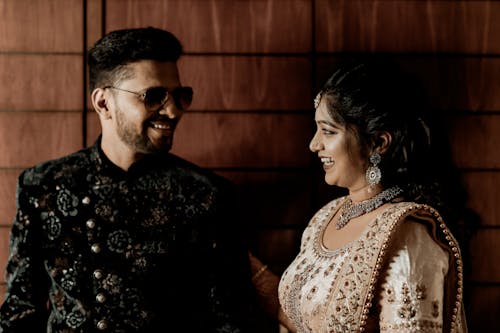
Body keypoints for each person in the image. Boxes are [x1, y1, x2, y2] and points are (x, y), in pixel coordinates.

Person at [0, 27, 253, 332]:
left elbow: (232, 321)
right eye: (154, 96)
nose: (172, 111)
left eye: (180, 95)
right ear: (103, 103)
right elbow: (19, 312)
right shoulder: (44, 186)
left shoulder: (208, 195)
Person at [252, 58, 469, 332]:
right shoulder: (325, 217)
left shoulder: (407, 237)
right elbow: (299, 321)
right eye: (316, 129)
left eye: (328, 131)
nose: (313, 144)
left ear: (378, 143)